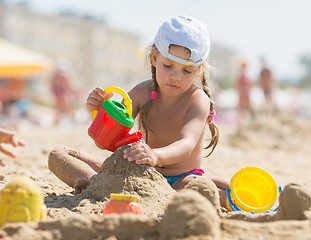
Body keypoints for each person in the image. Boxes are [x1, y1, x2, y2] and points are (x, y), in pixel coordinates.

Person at [48, 16, 230, 207]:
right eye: (168, 66)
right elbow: (104, 144)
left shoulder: (197, 99)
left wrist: (155, 156)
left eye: (187, 71)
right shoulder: (143, 92)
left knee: (205, 189)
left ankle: (103, 186)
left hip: (179, 180)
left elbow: (186, 144)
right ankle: (94, 182)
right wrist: (100, 113)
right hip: (138, 173)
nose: (176, 76)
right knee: (60, 155)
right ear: (154, 58)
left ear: (199, 70)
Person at [50, 59, 74, 125]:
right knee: (65, 108)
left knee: (59, 108)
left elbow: (51, 86)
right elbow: (68, 86)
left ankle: (57, 122)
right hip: (62, 92)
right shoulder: (63, 76)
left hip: (58, 92)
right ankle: (68, 121)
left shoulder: (55, 76)